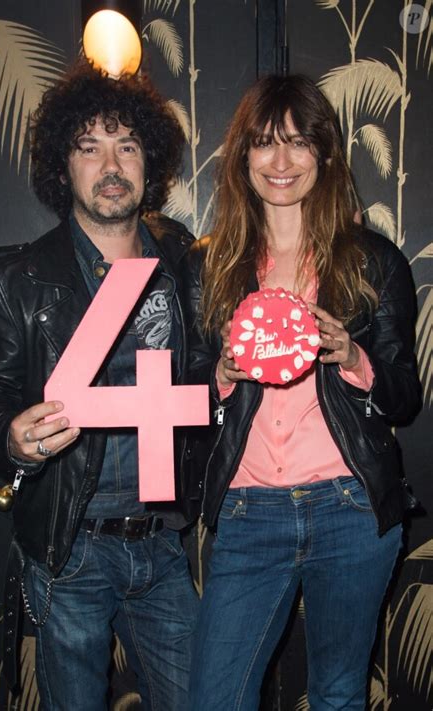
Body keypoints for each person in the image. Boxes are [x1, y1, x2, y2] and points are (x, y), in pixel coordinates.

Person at [0, 61, 202, 710]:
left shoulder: (186, 266)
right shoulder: (16, 278)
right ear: (62, 165)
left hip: (161, 542)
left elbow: (210, 374)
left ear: (150, 162)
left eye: (127, 145)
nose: (111, 165)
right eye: (89, 147)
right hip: (69, 546)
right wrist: (10, 435)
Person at [188, 75, 422, 710]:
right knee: (214, 698)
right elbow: (186, 397)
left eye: (298, 142)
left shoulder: (372, 261)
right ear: (243, 156)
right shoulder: (209, 266)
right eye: (265, 142)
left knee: (339, 695)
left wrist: (354, 358)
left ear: (324, 153)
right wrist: (222, 375)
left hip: (350, 506)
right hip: (247, 511)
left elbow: (405, 396)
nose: (282, 161)